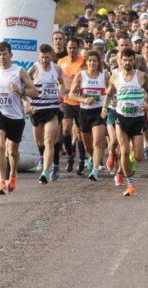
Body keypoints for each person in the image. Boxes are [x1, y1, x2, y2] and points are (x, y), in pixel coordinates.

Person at [0, 41, 38, 195]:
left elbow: (34, 91)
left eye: (5, 54)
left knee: (13, 150)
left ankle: (13, 173)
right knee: (0, 144)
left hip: (15, 116)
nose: (2, 57)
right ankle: (2, 181)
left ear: (11, 55)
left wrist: (21, 90)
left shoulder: (19, 71)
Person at [104, 48, 148, 197]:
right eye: (125, 60)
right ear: (121, 61)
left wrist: (147, 103)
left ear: (134, 61)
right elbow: (109, 92)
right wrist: (105, 108)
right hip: (121, 117)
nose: (127, 63)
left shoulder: (142, 76)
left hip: (137, 118)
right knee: (123, 151)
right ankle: (130, 183)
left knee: (138, 156)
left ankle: (128, 164)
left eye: (130, 60)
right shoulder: (114, 77)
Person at [68, 50, 109, 182]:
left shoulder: (105, 76)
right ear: (87, 62)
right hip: (84, 112)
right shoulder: (81, 75)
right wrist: (83, 100)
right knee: (88, 145)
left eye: (95, 61)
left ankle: (95, 170)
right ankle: (92, 157)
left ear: (99, 62)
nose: (92, 63)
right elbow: (71, 95)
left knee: (97, 142)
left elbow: (110, 92)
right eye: (90, 60)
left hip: (98, 112)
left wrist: (106, 105)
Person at [29, 44, 65, 183]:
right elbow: (24, 83)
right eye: (42, 57)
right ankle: (45, 158)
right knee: (39, 142)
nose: (44, 60)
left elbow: (62, 84)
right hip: (37, 109)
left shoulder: (56, 68)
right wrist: (27, 103)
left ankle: (46, 171)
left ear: (51, 55)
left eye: (47, 57)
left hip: (52, 108)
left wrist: (61, 94)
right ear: (39, 56)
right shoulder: (34, 68)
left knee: (49, 139)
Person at [58, 37, 86, 174]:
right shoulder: (61, 62)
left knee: (80, 133)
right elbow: (59, 81)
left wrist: (79, 76)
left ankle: (81, 160)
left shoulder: (84, 61)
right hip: (67, 100)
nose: (72, 50)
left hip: (80, 101)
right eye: (69, 48)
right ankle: (70, 157)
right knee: (65, 129)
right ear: (66, 48)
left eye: (74, 48)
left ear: (78, 48)